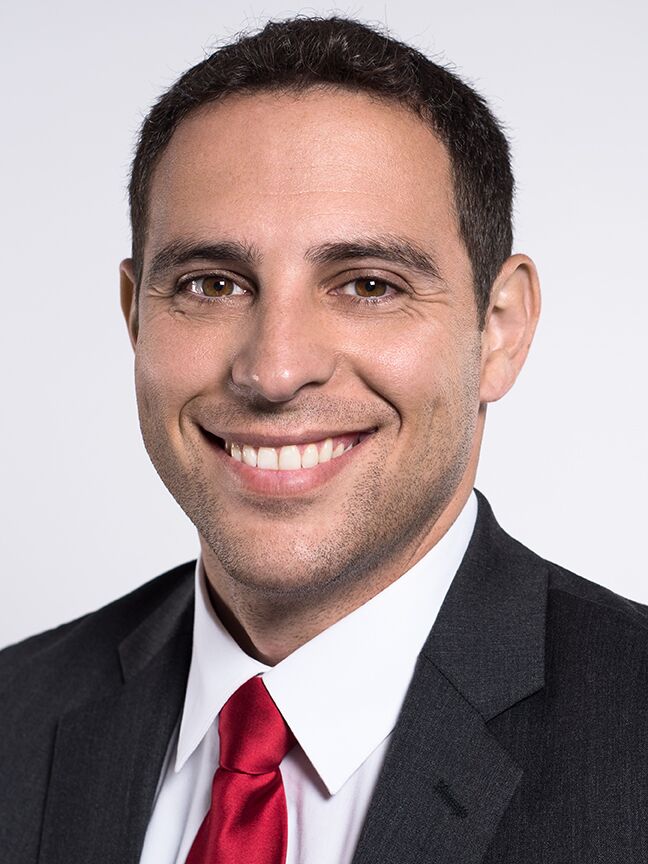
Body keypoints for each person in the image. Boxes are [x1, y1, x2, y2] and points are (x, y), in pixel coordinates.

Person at [2, 14, 648, 864]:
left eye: (368, 285)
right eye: (212, 284)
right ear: (135, 317)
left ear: (499, 329)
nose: (275, 370)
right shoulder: (15, 717)